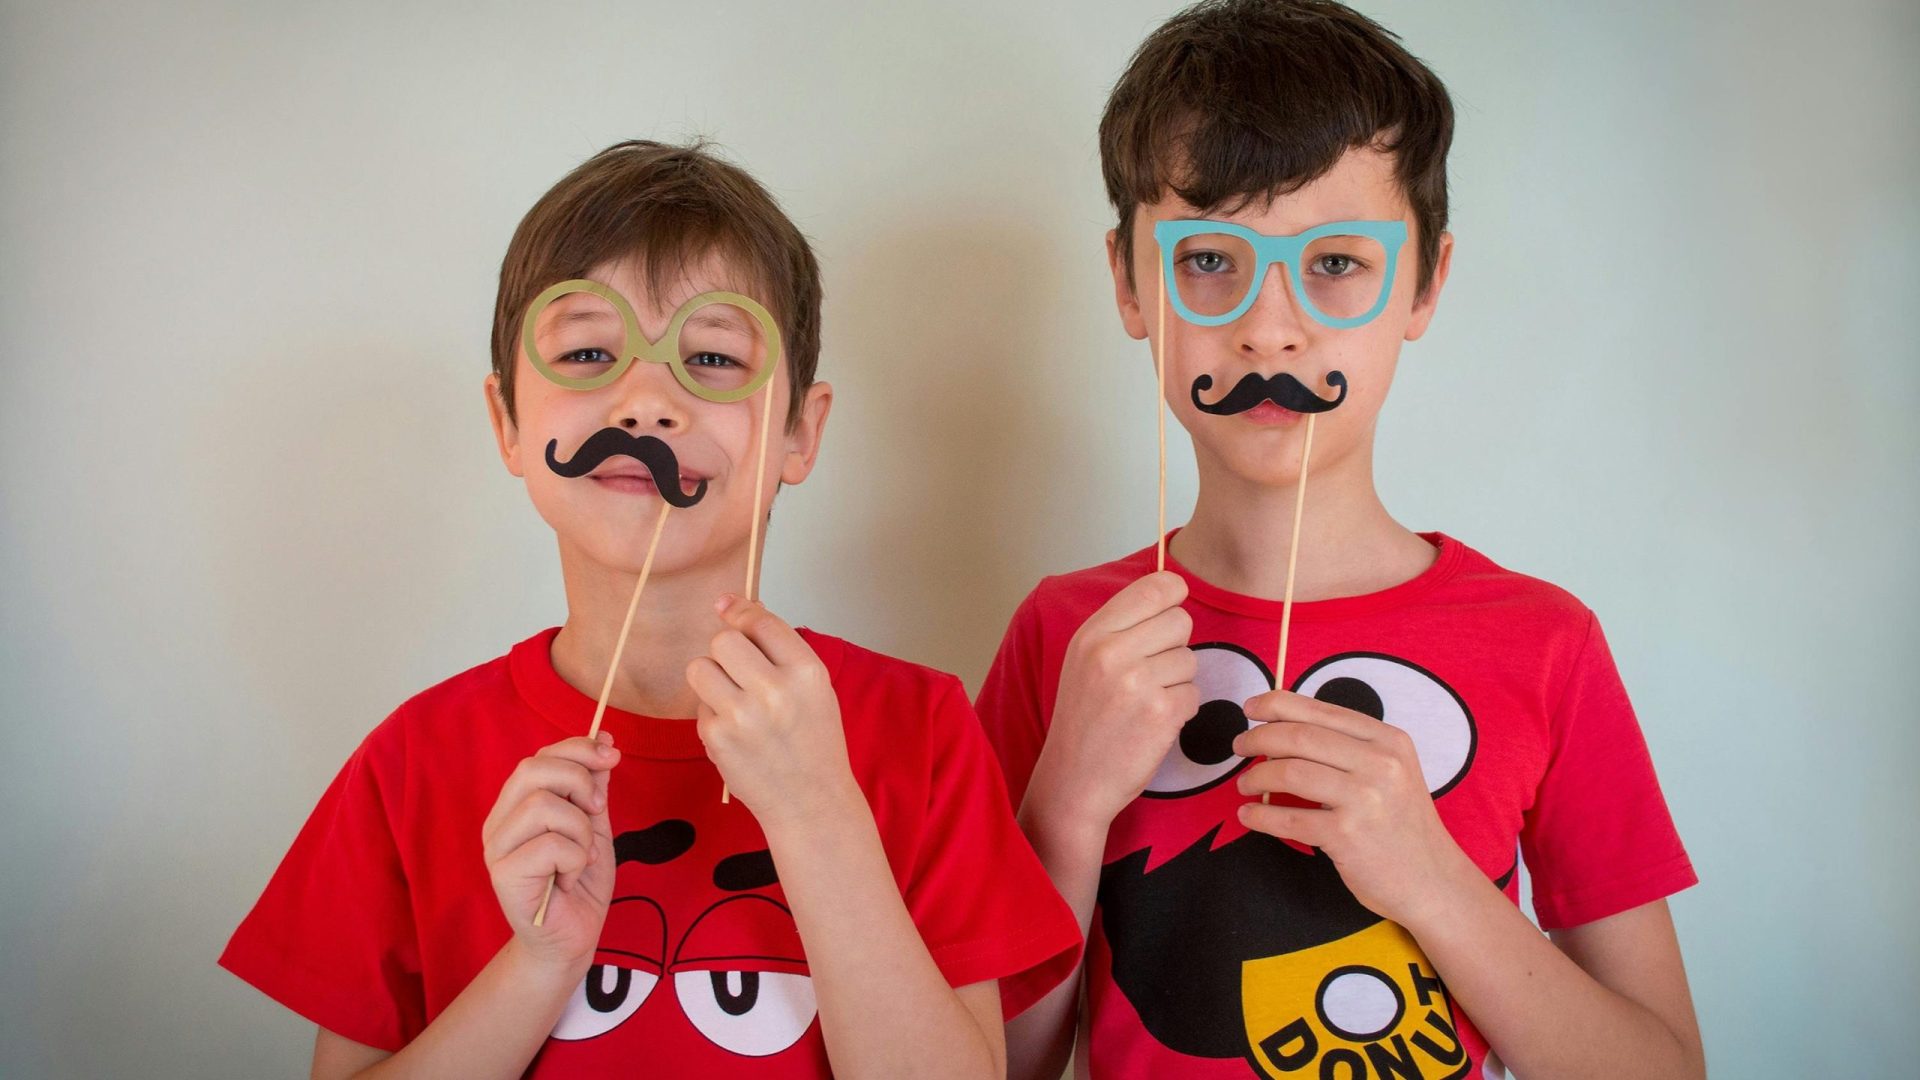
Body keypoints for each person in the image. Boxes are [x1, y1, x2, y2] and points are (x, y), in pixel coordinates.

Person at [222, 139, 1080, 1079]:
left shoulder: (921, 734)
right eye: (590, 352)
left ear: (801, 431)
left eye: (712, 357)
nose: (645, 399)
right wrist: (539, 963)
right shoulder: (410, 766)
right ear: (508, 422)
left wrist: (818, 816)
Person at [976, 4, 1703, 1077]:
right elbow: (992, 1063)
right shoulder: (1064, 634)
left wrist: (1429, 877)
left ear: (1426, 283)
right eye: (1209, 259)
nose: (1270, 327)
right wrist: (1069, 804)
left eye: (1336, 265)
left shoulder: (1546, 644)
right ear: (1131, 283)